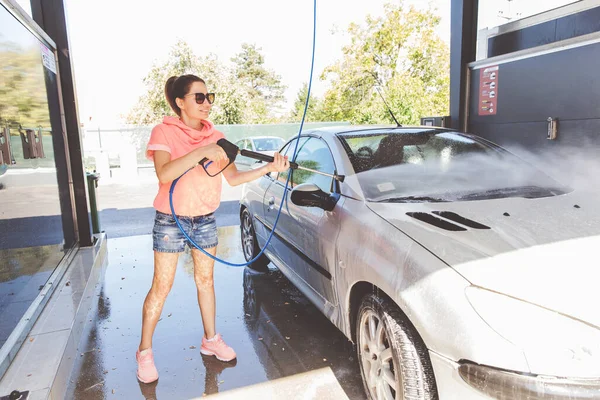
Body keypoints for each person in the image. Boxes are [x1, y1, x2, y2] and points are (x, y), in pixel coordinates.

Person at [136, 74, 290, 383]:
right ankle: (144, 351)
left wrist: (269, 168)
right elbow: (165, 174)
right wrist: (199, 153)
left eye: (209, 97)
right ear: (181, 102)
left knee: (206, 281)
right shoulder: (163, 131)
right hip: (171, 220)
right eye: (199, 97)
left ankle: (211, 339)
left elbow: (232, 178)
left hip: (205, 218)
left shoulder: (216, 135)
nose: (207, 103)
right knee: (162, 286)